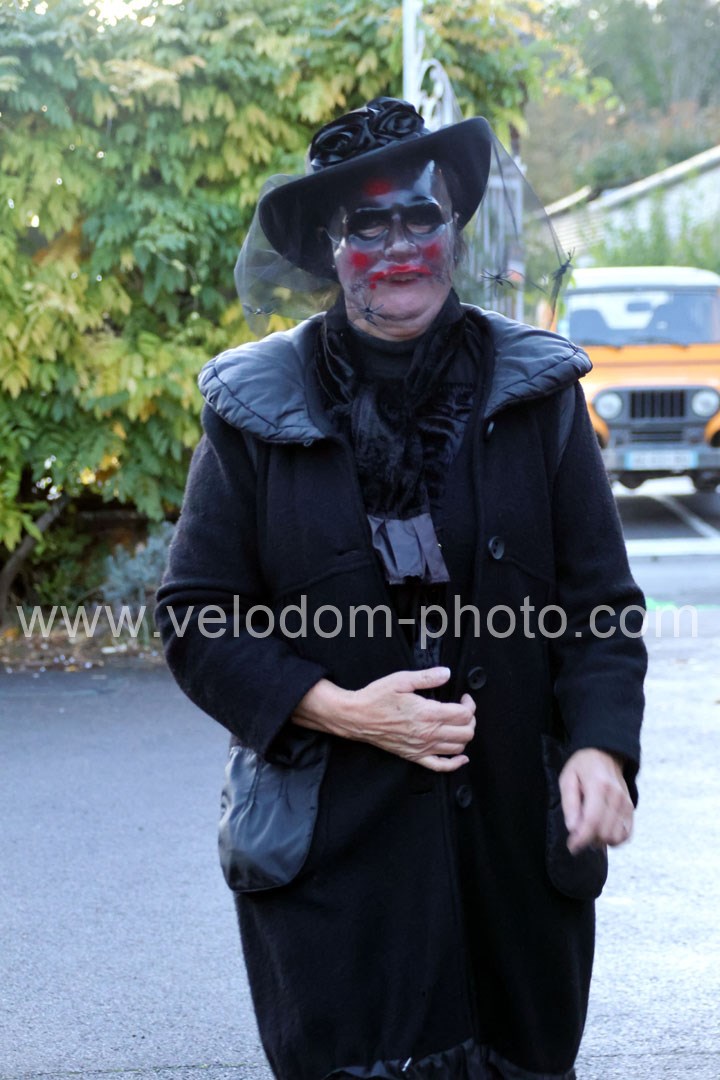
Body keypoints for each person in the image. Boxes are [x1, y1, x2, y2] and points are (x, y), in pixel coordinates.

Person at [156, 98, 646, 1080]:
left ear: (454, 226)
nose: (398, 247)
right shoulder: (254, 408)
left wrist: (601, 746)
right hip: (338, 882)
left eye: (420, 217)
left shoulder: (538, 394)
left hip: (516, 867)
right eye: (367, 225)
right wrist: (337, 708)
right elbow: (197, 615)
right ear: (327, 250)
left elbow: (599, 606)